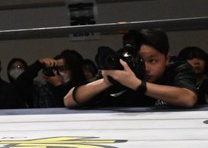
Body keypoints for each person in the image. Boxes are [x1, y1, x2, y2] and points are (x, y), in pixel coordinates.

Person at [65, 30, 199, 109]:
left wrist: (136, 84)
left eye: (152, 60)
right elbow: (69, 100)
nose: (146, 68)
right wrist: (106, 82)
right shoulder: (123, 69)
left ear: (167, 59)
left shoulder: (177, 67)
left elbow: (188, 98)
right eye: (139, 60)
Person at [12, 50, 85, 108]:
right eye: (56, 68)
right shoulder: (44, 91)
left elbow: (69, 103)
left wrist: (59, 86)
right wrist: (38, 64)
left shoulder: (81, 90)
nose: (58, 72)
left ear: (74, 70)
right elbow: (20, 84)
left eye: (63, 69)